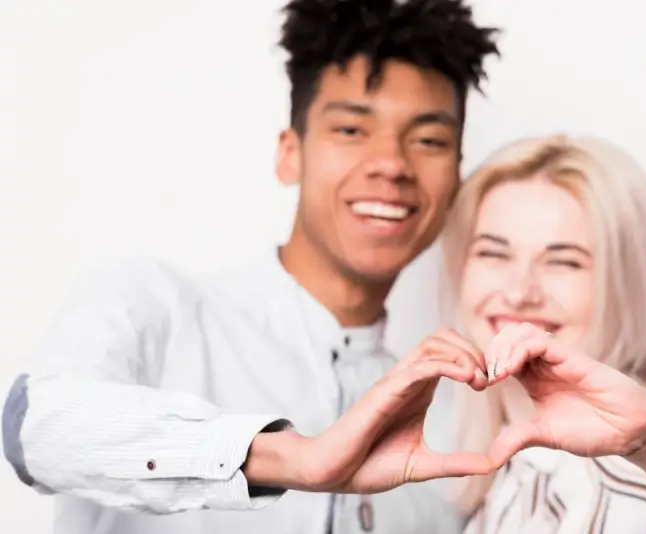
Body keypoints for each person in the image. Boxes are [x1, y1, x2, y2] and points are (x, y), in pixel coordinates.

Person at [1, 0, 502, 533]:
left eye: (429, 141)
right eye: (352, 130)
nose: (392, 165)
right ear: (290, 154)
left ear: (456, 178)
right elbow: (35, 426)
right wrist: (287, 458)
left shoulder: (458, 427)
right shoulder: (151, 305)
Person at [438, 135, 646, 533]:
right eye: (493, 253)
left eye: (564, 262)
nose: (518, 292)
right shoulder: (501, 465)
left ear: (631, 284)